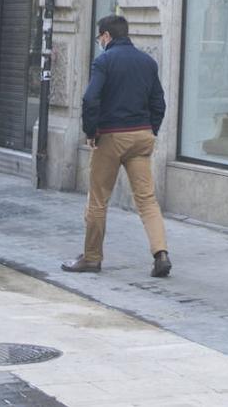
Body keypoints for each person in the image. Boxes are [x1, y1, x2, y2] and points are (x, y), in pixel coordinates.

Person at [62, 15, 171, 278]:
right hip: (141, 136)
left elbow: (90, 99)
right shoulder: (147, 62)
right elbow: (159, 103)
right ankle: (161, 254)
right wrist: (150, 129)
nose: (99, 41)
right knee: (146, 200)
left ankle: (91, 258)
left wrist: (91, 131)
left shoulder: (104, 61)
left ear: (107, 36)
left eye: (100, 37)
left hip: (111, 137)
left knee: (98, 200)